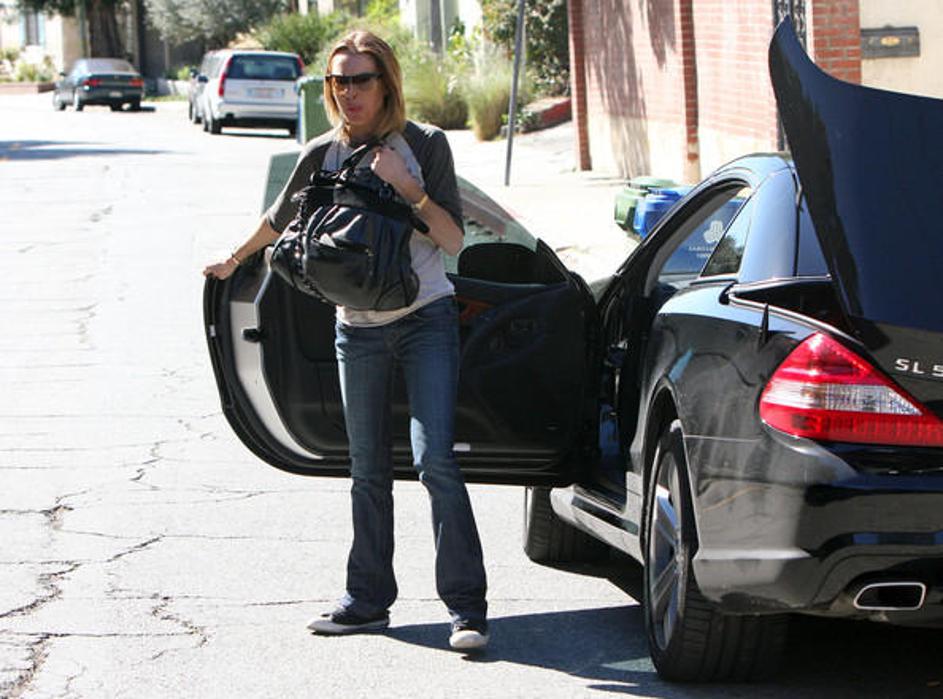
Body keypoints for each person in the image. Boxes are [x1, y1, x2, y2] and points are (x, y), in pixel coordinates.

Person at [202, 30, 489, 651]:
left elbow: (452, 240)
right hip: (355, 330)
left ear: (386, 83)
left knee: (435, 460)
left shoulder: (424, 145)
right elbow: (278, 220)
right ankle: (366, 602)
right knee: (367, 469)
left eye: (361, 80)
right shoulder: (323, 153)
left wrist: (409, 189)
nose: (348, 92)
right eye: (338, 81)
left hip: (426, 318)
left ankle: (466, 610)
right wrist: (233, 260)